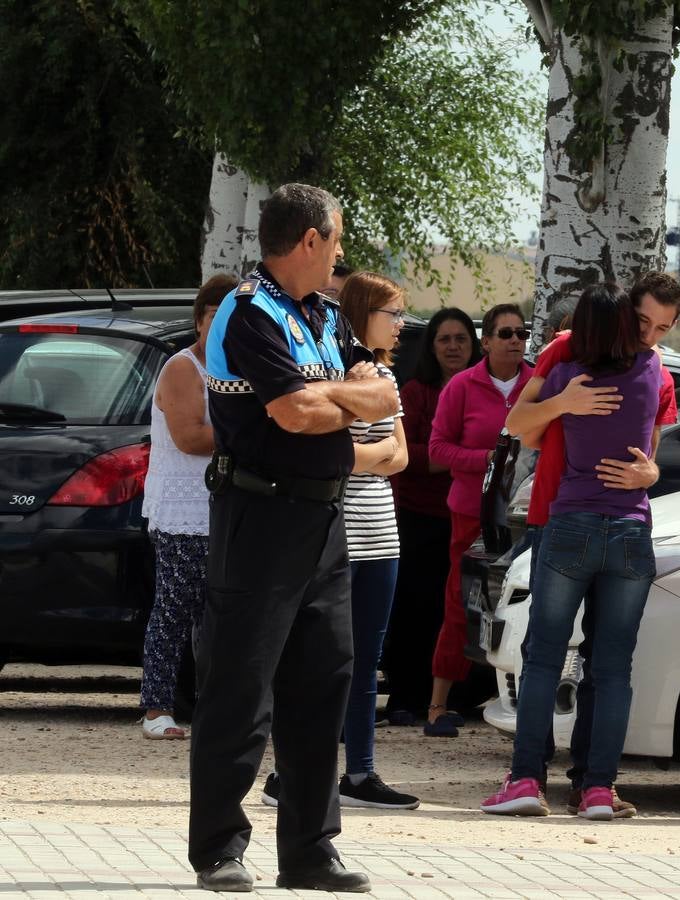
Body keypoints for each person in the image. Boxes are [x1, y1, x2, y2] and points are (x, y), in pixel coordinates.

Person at [191, 183, 395, 893]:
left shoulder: (325, 316)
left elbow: (383, 395)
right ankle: (219, 849)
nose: (341, 251)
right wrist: (346, 397)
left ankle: (309, 851)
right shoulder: (251, 314)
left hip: (323, 521)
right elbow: (294, 415)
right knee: (240, 691)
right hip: (259, 521)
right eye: (336, 239)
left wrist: (337, 396)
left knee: (323, 689)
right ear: (309, 241)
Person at [503, 272, 680, 817]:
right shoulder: (627, 363)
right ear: (625, 313)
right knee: (611, 666)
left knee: (545, 658)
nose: (652, 335)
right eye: (645, 321)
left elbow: (519, 428)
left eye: (664, 327)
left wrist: (566, 404)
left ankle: (529, 782)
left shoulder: (588, 366)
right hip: (627, 530)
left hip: (573, 519)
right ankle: (598, 788)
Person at [425, 303, 533, 736]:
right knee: (462, 603)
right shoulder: (462, 387)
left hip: (528, 515)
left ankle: (520, 702)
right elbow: (437, 450)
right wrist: (487, 459)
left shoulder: (539, 385)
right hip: (471, 513)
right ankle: (437, 705)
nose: (513, 341)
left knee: (525, 607)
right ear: (484, 341)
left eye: (520, 333)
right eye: (504, 334)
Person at [138, 274, 236, 740]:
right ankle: (156, 708)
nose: (220, 328)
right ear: (199, 320)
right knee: (174, 608)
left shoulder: (239, 369)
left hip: (228, 506)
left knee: (218, 617)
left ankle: (215, 709)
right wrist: (252, 435)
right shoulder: (183, 368)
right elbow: (191, 437)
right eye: (213, 317)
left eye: (229, 318)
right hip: (184, 509)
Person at [334, 272, 418, 808]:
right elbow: (336, 456)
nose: (402, 323)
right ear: (364, 314)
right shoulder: (335, 374)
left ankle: (360, 773)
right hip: (336, 537)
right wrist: (374, 455)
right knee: (325, 661)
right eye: (393, 313)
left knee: (368, 661)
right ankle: (292, 774)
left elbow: (403, 456)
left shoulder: (386, 378)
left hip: (381, 535)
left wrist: (368, 456)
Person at [384, 308, 480, 725]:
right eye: (445, 339)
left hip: (468, 515)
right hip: (418, 515)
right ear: (432, 346)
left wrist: (453, 456)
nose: (454, 346)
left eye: (461, 338)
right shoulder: (415, 392)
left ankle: (452, 699)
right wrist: (459, 458)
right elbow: (408, 456)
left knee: (455, 611)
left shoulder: (479, 388)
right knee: (413, 609)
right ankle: (406, 698)